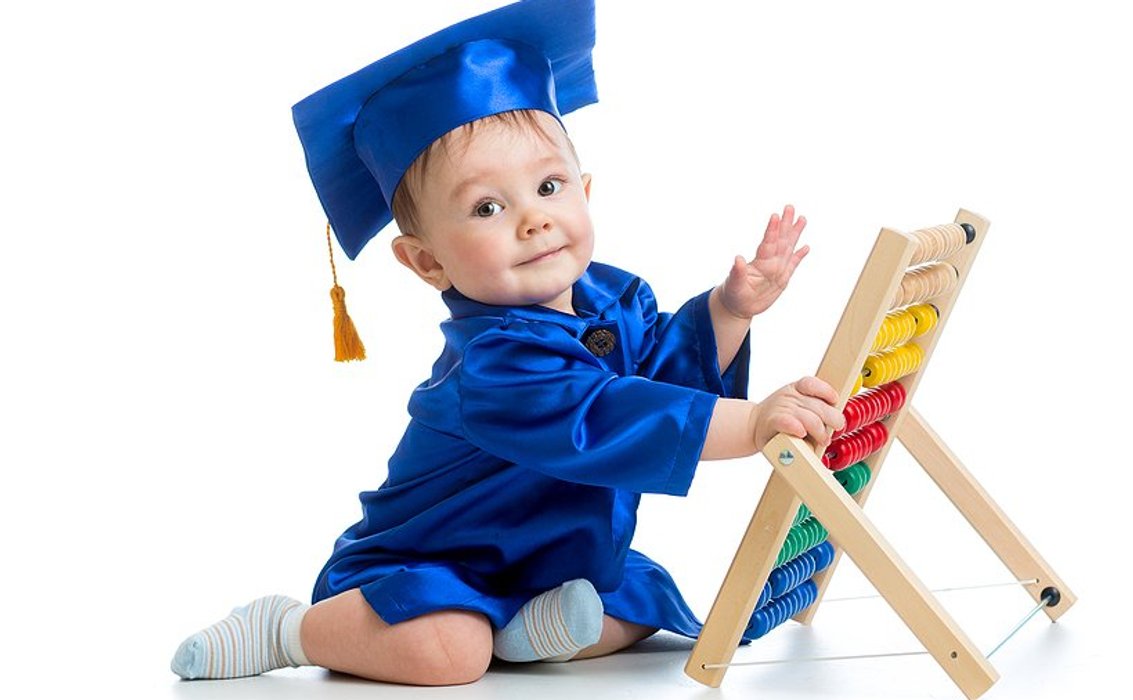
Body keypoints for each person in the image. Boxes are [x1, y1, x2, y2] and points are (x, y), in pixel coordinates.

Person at [171, 0, 843, 686]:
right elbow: (609, 415)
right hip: (434, 561)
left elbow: (665, 382)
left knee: (642, 600)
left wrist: (729, 311)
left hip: (552, 557)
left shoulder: (616, 299)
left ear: (585, 191)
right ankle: (290, 630)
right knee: (449, 654)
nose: (533, 220)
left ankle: (526, 633)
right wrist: (757, 421)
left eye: (549, 186)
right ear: (426, 263)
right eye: (487, 207)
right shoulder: (497, 363)